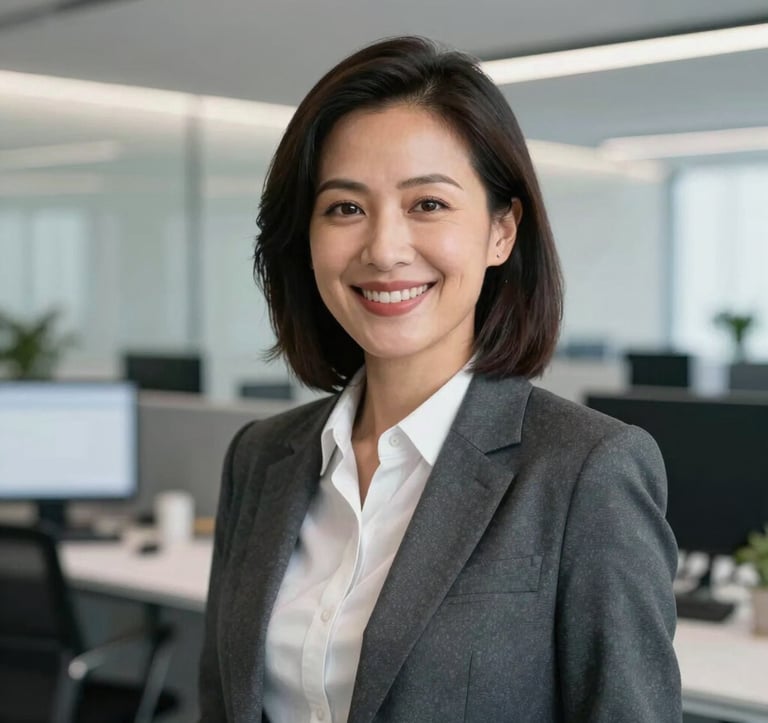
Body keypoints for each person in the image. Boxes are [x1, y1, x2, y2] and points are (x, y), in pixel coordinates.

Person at [198, 36, 681, 723]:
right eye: (344, 207)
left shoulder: (586, 471)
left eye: (427, 204)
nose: (384, 249)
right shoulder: (259, 458)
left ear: (501, 232)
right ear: (304, 237)